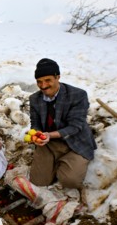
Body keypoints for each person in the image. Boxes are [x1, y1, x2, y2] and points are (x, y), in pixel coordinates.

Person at [28, 58, 96, 189]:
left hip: (75, 143)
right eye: (39, 82)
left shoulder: (77, 95)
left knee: (69, 181)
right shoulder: (35, 99)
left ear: (57, 77)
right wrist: (36, 133)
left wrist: (49, 135)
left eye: (48, 80)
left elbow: (76, 126)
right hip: (49, 144)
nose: (43, 85)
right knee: (38, 181)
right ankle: (54, 164)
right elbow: (35, 122)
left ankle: (65, 163)